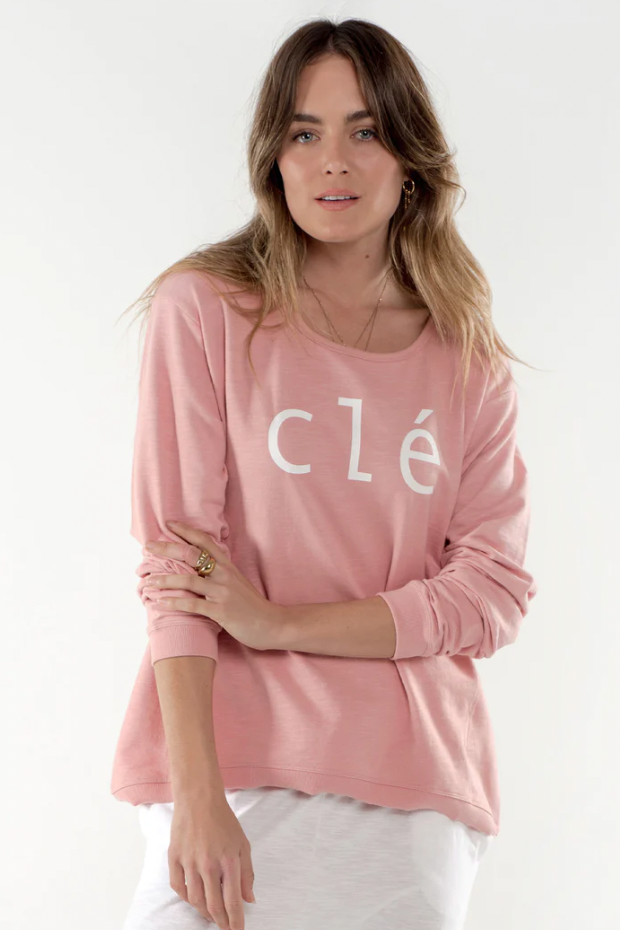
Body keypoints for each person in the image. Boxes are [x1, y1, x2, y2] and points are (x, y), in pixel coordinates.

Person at [112, 17, 538, 930]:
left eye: (365, 130)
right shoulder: (207, 311)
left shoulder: (468, 363)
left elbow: (492, 595)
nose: (332, 161)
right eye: (304, 133)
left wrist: (277, 622)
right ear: (274, 158)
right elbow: (177, 567)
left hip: (410, 784)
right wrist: (198, 796)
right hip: (230, 769)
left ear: (410, 159)